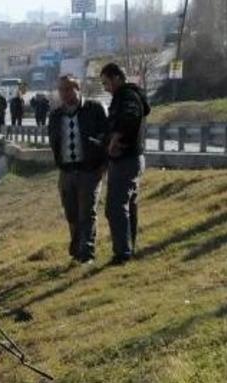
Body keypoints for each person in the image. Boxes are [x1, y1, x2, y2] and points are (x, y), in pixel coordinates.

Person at [48, 75, 108, 264]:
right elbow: (53, 141)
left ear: (77, 89)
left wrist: (102, 165)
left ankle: (87, 253)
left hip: (89, 170)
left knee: (87, 213)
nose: (64, 94)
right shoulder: (56, 115)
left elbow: (106, 137)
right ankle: (76, 249)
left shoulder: (94, 109)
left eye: (68, 89)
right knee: (72, 214)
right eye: (61, 90)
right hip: (66, 172)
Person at [100, 62, 150, 265]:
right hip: (130, 159)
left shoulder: (127, 96)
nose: (105, 88)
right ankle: (129, 248)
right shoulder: (129, 95)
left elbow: (129, 117)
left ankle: (123, 253)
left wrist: (115, 139)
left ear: (117, 78)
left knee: (115, 207)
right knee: (128, 206)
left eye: (106, 83)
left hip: (126, 160)